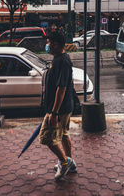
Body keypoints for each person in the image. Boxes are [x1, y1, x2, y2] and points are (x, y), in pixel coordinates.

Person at [39, 31, 76, 181]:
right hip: (64, 108)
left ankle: (64, 162)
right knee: (64, 134)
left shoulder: (62, 61)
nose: (48, 45)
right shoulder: (59, 59)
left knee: (46, 138)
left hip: (58, 110)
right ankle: (70, 162)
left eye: (50, 43)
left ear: (56, 44)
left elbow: (62, 89)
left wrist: (54, 113)